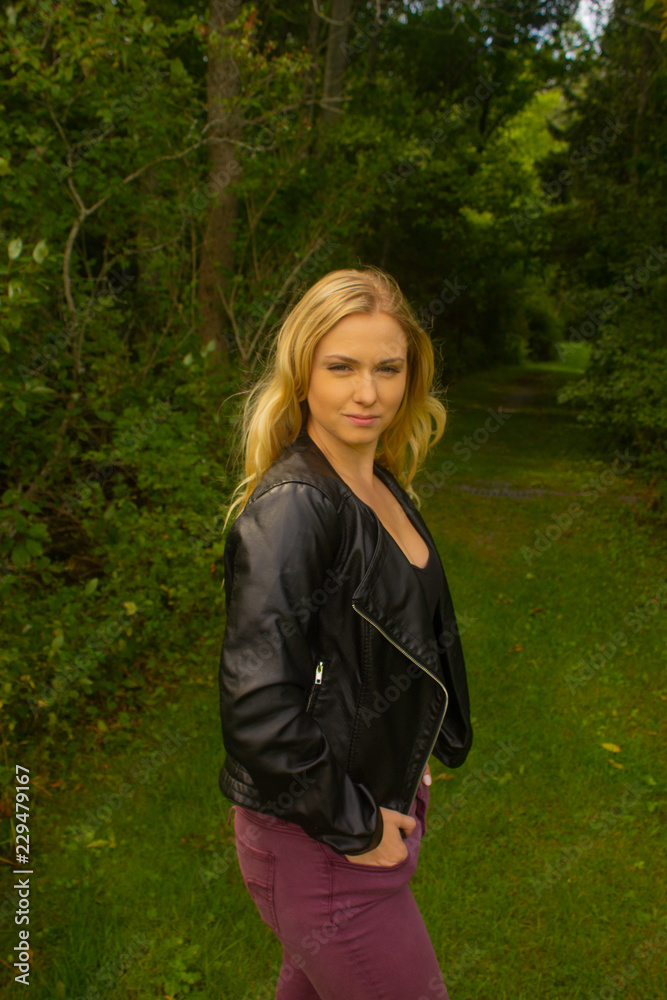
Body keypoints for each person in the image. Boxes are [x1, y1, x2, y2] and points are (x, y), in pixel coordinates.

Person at [217, 265, 473, 1000]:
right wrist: (358, 827)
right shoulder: (296, 507)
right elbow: (259, 715)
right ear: (302, 374)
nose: (368, 393)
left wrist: (410, 762)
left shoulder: (377, 481)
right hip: (321, 843)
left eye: (387, 369)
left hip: (364, 812)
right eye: (341, 367)